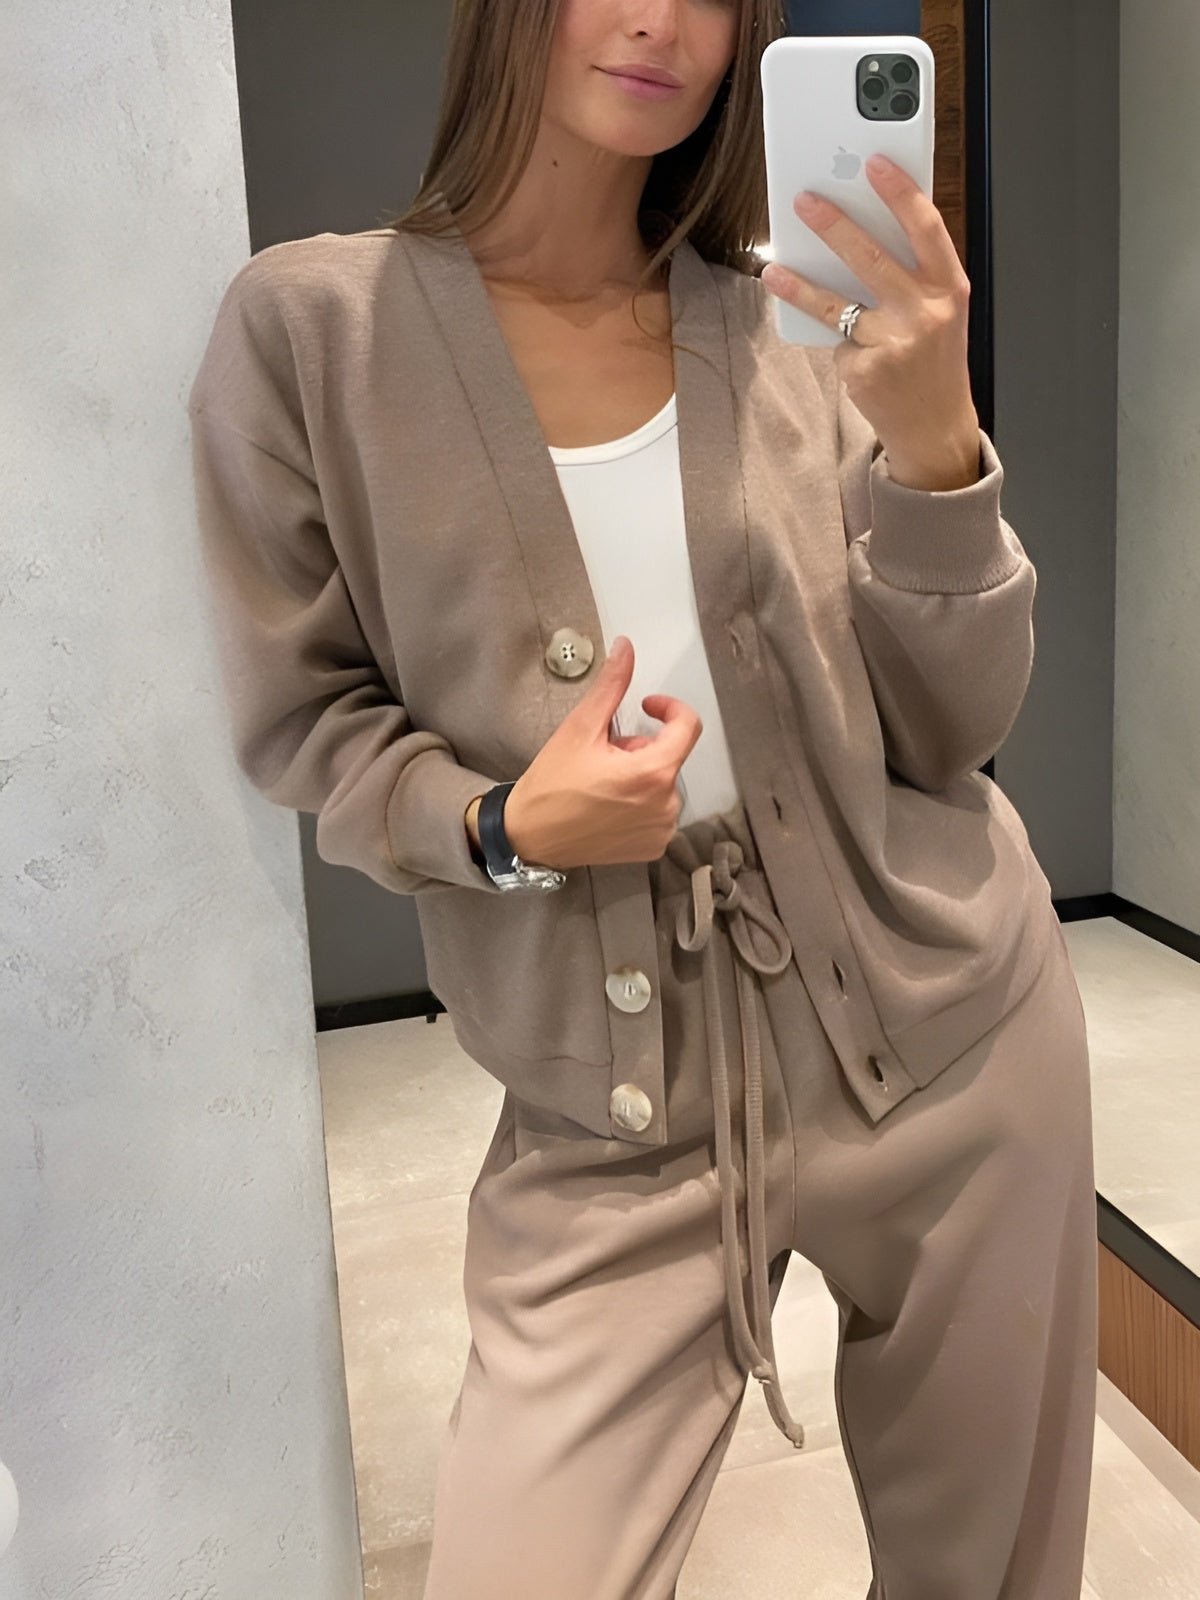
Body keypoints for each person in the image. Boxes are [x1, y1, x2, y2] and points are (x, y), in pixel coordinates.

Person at [187, 2, 1100, 1596]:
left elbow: (952, 730)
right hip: (613, 1118)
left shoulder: (788, 321)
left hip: (956, 1040)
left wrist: (940, 453)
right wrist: (499, 826)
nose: (662, 21)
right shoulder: (313, 331)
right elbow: (306, 718)